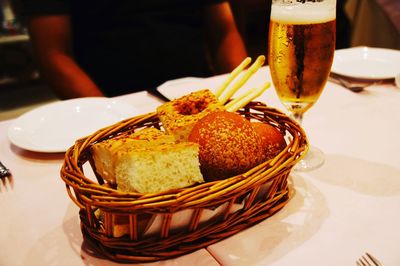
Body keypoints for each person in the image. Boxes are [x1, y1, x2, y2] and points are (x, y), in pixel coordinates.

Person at [19, 1, 248, 99]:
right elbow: (53, 55)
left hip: (196, 95)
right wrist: (111, 116)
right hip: (110, 102)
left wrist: (239, 92)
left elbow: (224, 31)